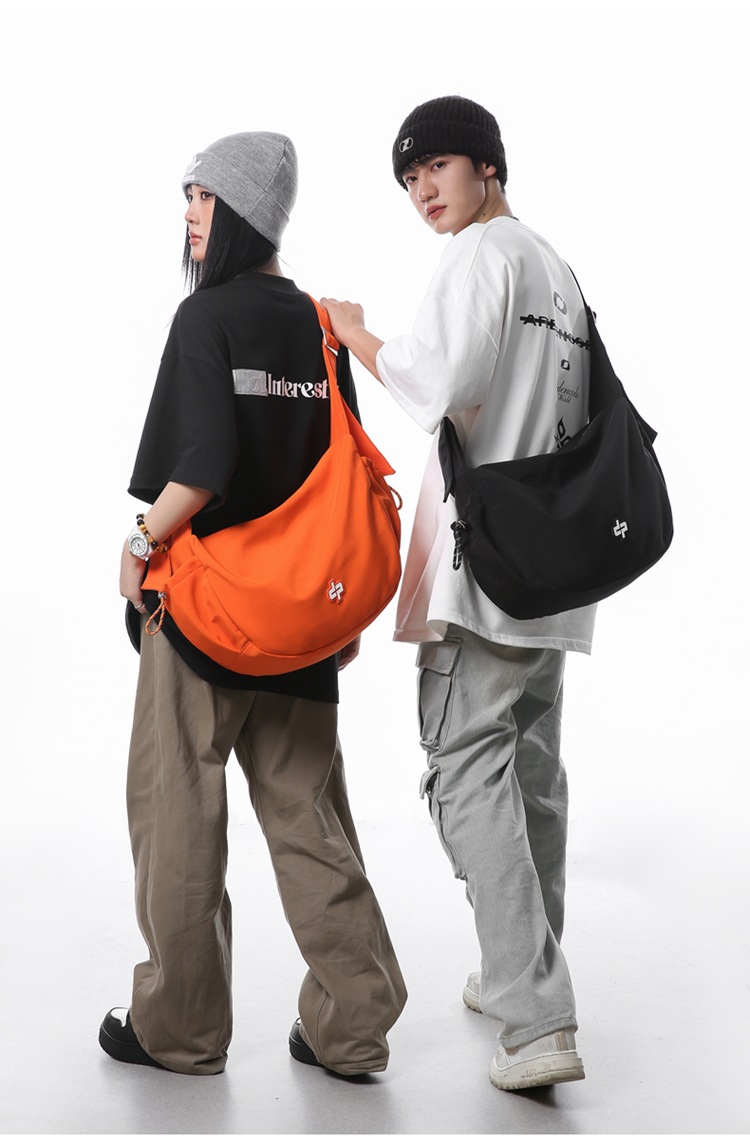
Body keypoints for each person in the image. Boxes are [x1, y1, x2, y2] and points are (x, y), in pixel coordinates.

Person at [99, 131, 407, 1077]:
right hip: (305, 623)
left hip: (204, 617)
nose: (188, 216)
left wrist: (139, 542)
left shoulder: (207, 319)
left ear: (238, 210)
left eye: (200, 197)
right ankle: (352, 1026)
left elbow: (202, 469)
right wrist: (339, 616)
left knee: (179, 817)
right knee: (310, 818)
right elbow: (340, 476)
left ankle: (181, 1031)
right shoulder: (319, 325)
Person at [321, 95, 595, 1092]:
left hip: (486, 565)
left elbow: (435, 382)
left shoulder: (481, 255)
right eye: (409, 178)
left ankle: (534, 1014)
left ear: (487, 166)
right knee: (531, 771)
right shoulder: (554, 268)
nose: (422, 190)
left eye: (436, 166)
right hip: (555, 563)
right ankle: (525, 970)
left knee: (467, 765)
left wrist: (355, 333)